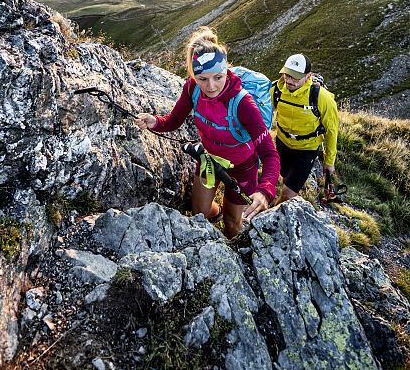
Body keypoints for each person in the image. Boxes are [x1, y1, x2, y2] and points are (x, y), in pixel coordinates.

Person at [136, 27, 279, 239]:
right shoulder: (192, 88)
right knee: (199, 214)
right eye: (203, 78)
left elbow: (269, 154)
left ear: (226, 71)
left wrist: (265, 190)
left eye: (218, 77)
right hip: (209, 161)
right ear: (194, 75)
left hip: (242, 169)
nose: (211, 86)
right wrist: (154, 121)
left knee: (232, 226)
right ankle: (218, 212)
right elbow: (175, 120)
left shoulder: (244, 104)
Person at [272, 54, 338, 205]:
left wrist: (329, 161)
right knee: (285, 179)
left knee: (288, 195)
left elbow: (332, 130)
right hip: (282, 144)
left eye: (295, 77)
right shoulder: (276, 89)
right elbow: (264, 113)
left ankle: (269, 220)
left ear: (308, 76)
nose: (289, 80)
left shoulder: (322, 98)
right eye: (287, 75)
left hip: (306, 150)